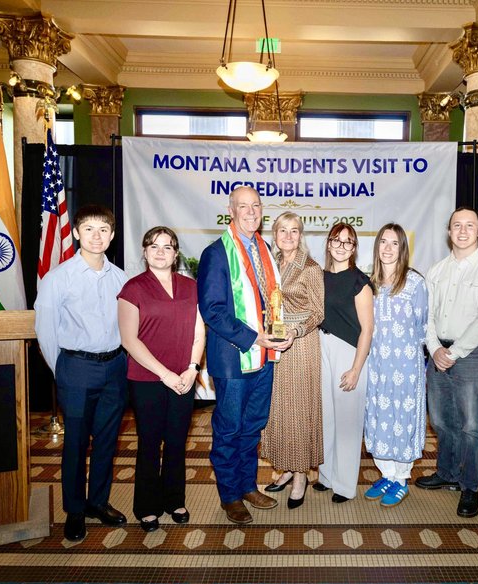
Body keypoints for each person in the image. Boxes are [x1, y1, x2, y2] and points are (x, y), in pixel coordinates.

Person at [197, 186, 292, 525]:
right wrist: (254, 337)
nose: (251, 212)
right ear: (231, 210)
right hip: (234, 358)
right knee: (229, 428)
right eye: (243, 206)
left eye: (256, 205)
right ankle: (230, 495)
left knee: (253, 426)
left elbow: (270, 301)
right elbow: (212, 310)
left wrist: (278, 334)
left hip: (265, 357)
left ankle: (248, 485)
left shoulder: (264, 249)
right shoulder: (216, 253)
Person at [34, 204, 128, 542]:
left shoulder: (121, 278)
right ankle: (74, 510)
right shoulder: (58, 278)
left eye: (103, 229)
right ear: (76, 232)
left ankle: (98, 502)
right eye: (89, 229)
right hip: (76, 368)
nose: (96, 236)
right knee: (75, 442)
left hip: (115, 367)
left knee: (107, 440)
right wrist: (62, 370)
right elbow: (45, 331)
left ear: (112, 235)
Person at [415, 207, 478, 519]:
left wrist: (453, 353)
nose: (463, 231)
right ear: (449, 231)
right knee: (440, 420)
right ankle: (447, 473)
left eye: (469, 226)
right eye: (457, 225)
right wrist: (434, 348)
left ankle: (469, 486)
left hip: (471, 355)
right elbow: (426, 315)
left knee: (471, 425)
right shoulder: (436, 270)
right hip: (437, 353)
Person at [118, 226, 205, 531]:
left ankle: (174, 500)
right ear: (144, 251)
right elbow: (129, 340)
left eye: (167, 247)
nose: (160, 252)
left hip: (184, 377)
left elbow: (199, 330)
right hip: (147, 379)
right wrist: (165, 374)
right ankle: (146, 506)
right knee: (150, 442)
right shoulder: (133, 288)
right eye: (154, 246)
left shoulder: (191, 287)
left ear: (175, 254)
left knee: (177, 441)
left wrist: (192, 368)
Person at [260, 212, 325, 509]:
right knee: (279, 409)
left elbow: (318, 312)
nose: (288, 236)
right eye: (282, 230)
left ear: (301, 235)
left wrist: (295, 331)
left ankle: (300, 475)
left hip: (299, 344)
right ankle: (286, 467)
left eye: (294, 230)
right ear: (275, 234)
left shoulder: (310, 268)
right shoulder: (271, 264)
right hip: (274, 342)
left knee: (298, 410)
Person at [362, 224, 428, 508]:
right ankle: (387, 474)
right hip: (377, 365)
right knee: (379, 417)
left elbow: (423, 325)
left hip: (406, 367)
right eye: (383, 242)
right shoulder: (369, 283)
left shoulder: (414, 283)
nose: (388, 248)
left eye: (394, 243)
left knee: (403, 419)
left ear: (403, 249)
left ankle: (401, 479)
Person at [314, 222, 373, 503]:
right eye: (336, 240)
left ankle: (345, 485)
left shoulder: (359, 282)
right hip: (321, 347)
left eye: (347, 242)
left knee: (348, 422)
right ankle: (326, 475)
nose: (341, 246)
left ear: (354, 248)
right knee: (325, 417)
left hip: (349, 352)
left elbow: (368, 329)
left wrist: (356, 369)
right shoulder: (320, 277)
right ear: (328, 244)